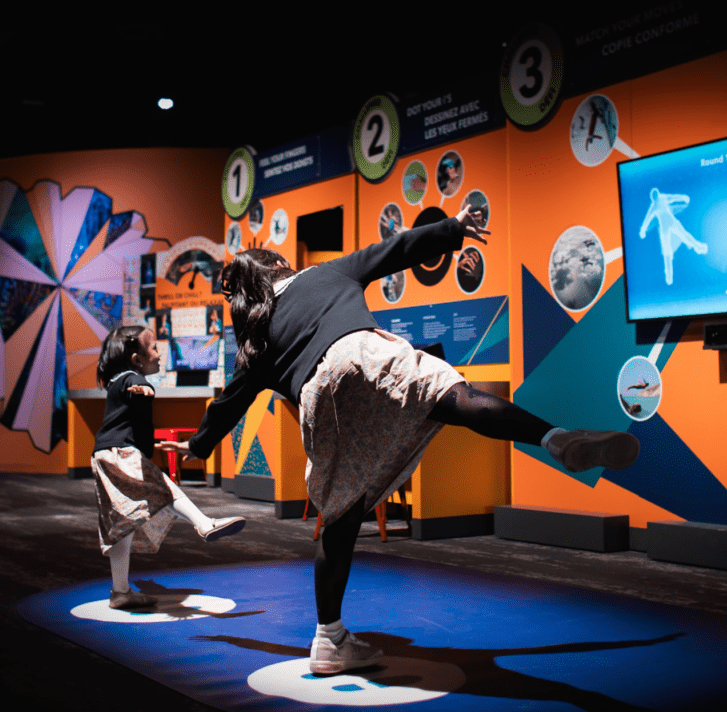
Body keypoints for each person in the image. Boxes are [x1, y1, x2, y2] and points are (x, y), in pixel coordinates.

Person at [161, 205, 640, 675]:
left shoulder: (257, 336)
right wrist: (452, 229)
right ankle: (556, 439)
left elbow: (231, 401)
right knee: (457, 398)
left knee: (340, 515)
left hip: (318, 396)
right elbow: (392, 250)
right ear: (280, 266)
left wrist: (198, 447)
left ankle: (328, 639)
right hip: (364, 353)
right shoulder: (324, 274)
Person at [92, 326, 246, 609]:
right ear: (137, 359)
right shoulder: (131, 379)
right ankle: (203, 523)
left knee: (122, 523)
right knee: (164, 487)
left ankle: (120, 591)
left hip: (103, 455)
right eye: (154, 348)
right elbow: (138, 385)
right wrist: (144, 389)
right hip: (120, 452)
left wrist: (142, 390)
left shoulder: (116, 380)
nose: (159, 354)